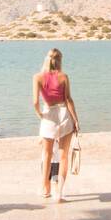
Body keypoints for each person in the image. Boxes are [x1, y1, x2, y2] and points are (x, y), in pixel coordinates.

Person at [33, 48, 79, 203]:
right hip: (64, 114)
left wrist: (40, 114)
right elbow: (68, 100)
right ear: (60, 60)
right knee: (63, 155)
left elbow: (34, 102)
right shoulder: (64, 76)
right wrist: (76, 121)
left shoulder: (38, 77)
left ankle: (45, 189)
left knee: (47, 154)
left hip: (49, 115)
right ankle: (59, 192)